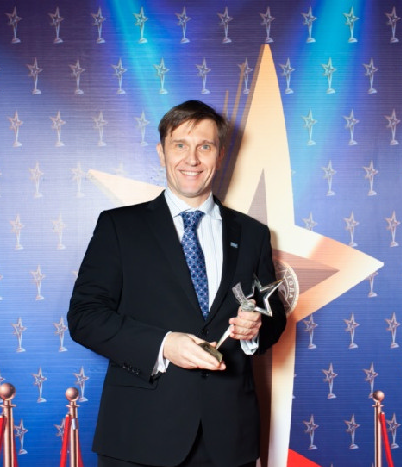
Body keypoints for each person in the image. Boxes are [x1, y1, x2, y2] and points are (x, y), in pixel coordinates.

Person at [67, 100, 287, 467]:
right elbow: (85, 317)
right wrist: (164, 345)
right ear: (162, 152)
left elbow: (273, 316)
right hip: (139, 437)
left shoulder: (253, 234)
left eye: (205, 146)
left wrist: (255, 330)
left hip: (229, 441)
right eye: (180, 145)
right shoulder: (119, 227)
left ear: (220, 154)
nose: (192, 159)